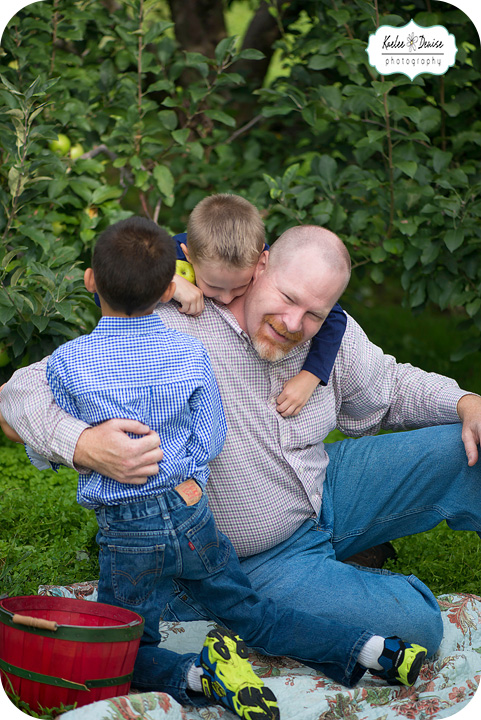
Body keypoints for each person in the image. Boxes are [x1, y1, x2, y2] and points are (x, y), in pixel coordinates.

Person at [3, 224, 480, 698]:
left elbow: (391, 386)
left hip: (322, 486)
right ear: (262, 264)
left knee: (468, 449)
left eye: (314, 313)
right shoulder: (168, 325)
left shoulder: (327, 329)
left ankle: (339, 567)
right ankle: (260, 592)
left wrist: (466, 402)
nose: (293, 323)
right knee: (418, 625)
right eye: (287, 299)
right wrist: (84, 444)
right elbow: (16, 399)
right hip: (253, 556)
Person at [171, 193, 348, 418]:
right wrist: (168, 280)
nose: (226, 298)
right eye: (213, 286)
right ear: (188, 254)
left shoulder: (260, 254)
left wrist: (311, 376)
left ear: (260, 262)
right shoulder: (178, 249)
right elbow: (128, 267)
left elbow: (335, 316)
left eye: (240, 286)